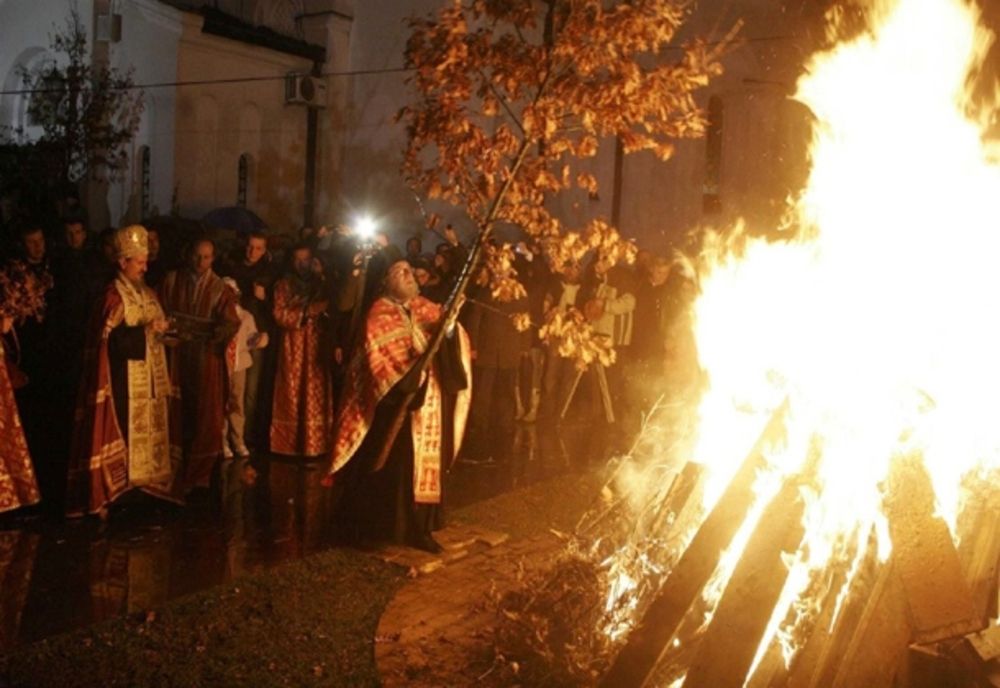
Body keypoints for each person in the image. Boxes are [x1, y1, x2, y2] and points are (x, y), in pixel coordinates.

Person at [325, 258, 471, 552]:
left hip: (432, 401)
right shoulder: (377, 314)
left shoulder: (426, 307)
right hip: (397, 407)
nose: (409, 275)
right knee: (398, 468)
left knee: (428, 467)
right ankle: (391, 530)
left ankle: (422, 528)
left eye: (409, 270)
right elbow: (380, 365)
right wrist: (408, 380)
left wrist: (451, 328)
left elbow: (447, 343)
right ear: (385, 281)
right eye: (399, 271)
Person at [66, 225, 180, 517]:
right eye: (139, 261)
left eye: (145, 261)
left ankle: (146, 485)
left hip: (150, 378)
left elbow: (156, 328)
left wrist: (166, 334)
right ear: (122, 262)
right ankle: (121, 489)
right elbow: (109, 343)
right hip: (122, 382)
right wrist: (144, 332)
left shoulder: (149, 293)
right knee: (127, 433)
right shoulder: (112, 297)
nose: (145, 266)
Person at [159, 238, 239, 491]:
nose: (200, 262)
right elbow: (157, 309)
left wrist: (216, 332)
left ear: (213, 258)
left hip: (206, 358)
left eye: (206, 257)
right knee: (177, 411)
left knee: (205, 412)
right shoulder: (172, 280)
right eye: (197, 256)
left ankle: (201, 472)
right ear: (188, 255)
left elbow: (231, 322)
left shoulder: (219, 289)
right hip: (176, 356)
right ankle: (173, 470)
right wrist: (165, 332)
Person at [270, 243, 333, 458]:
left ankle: (316, 444)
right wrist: (307, 311)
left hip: (317, 344)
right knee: (293, 391)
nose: (302, 264)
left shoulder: (323, 282)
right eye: (297, 260)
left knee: (315, 392)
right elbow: (279, 314)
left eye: (306, 259)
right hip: (293, 346)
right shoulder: (283, 285)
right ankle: (288, 445)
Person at [221, 277, 268, 461]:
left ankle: (237, 439)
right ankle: (222, 441)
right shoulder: (218, 317)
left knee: (237, 403)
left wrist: (258, 339)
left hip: (238, 365)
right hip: (222, 365)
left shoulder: (246, 316)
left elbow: (250, 338)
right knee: (221, 403)